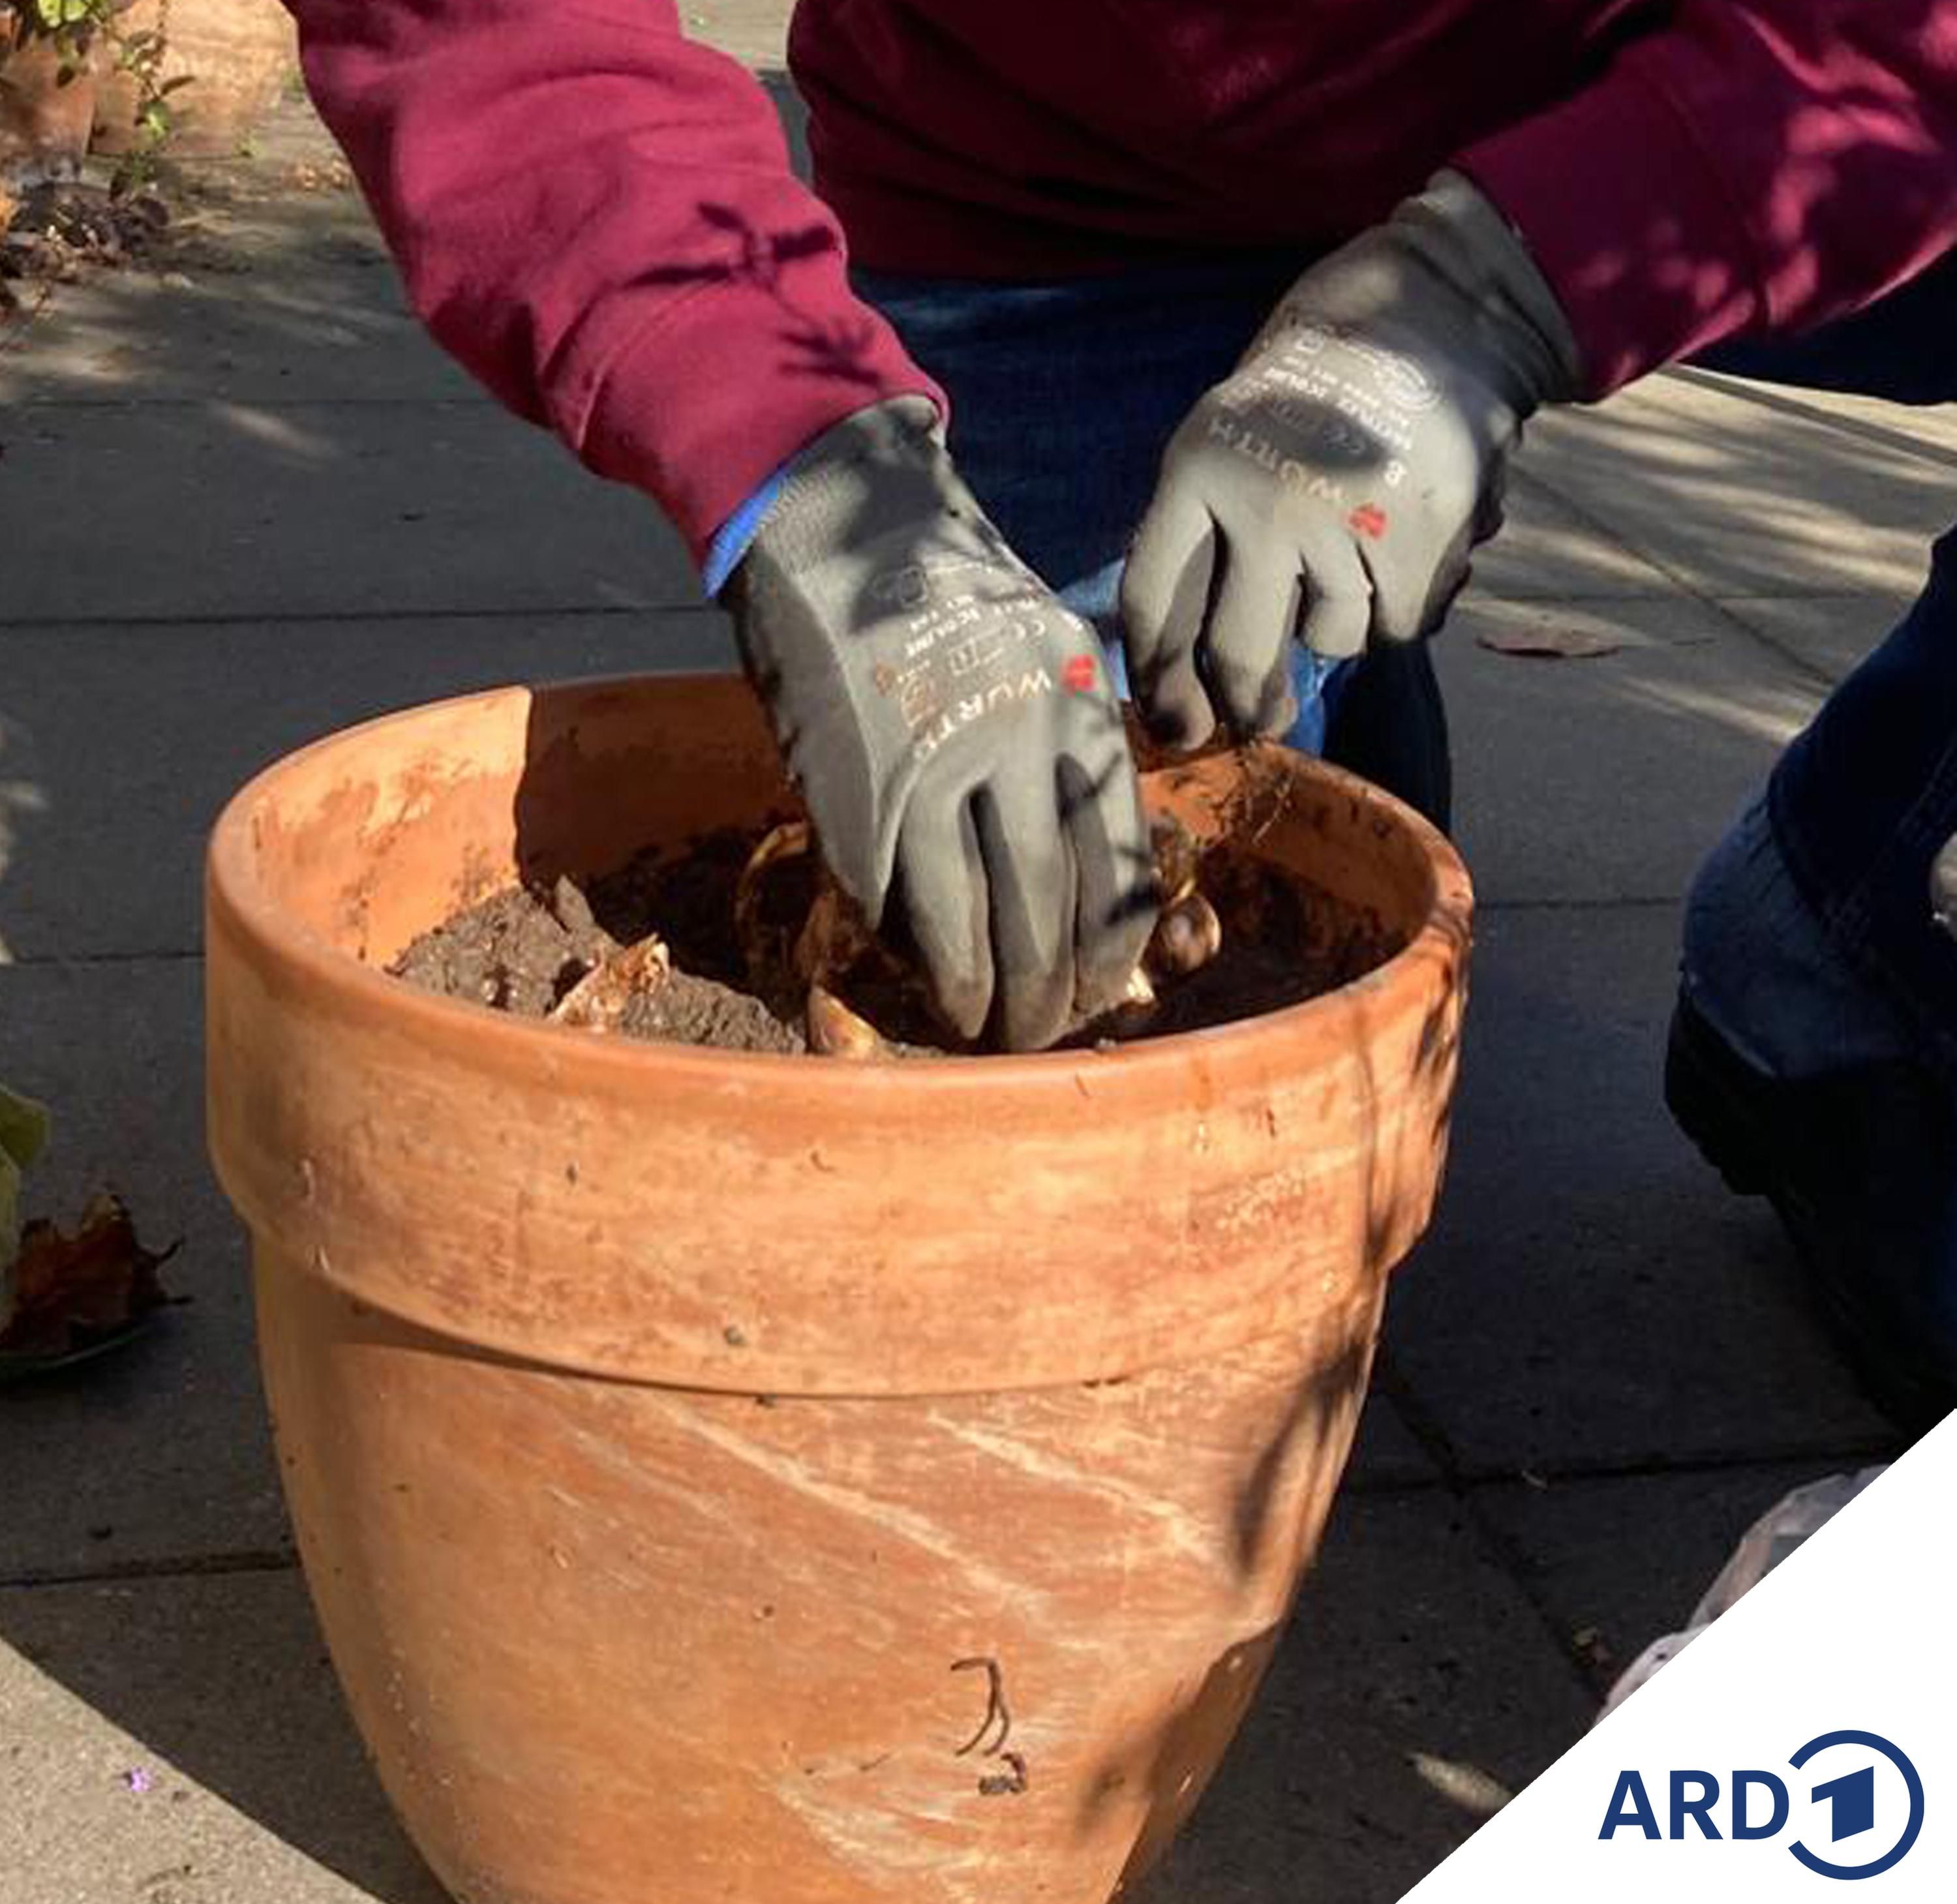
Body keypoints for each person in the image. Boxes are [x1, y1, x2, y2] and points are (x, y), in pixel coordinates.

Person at [284, 0, 1957, 1425]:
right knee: (1020, 982)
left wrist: (1500, 288)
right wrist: (797, 464)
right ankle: (1323, 691)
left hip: (1731, 68)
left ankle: (1835, 932)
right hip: (1068, 156)